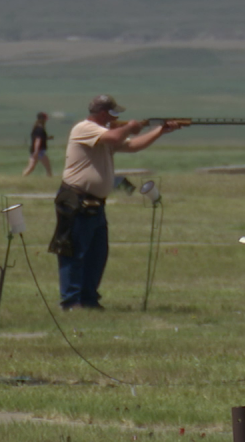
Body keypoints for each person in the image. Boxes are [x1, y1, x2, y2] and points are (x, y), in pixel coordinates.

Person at [48, 95, 180, 310]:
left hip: (96, 203)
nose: (115, 118)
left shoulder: (106, 135)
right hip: (76, 200)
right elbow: (117, 137)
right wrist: (130, 127)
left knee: (97, 253)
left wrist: (160, 131)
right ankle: (71, 301)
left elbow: (133, 145)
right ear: (102, 113)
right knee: (73, 251)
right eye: (113, 114)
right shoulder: (85, 128)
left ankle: (89, 299)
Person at [22, 112, 53, 177]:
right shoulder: (40, 129)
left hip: (35, 151)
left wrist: (47, 138)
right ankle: (49, 178)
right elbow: (38, 141)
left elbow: (40, 138)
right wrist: (36, 151)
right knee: (48, 167)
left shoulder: (36, 128)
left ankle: (23, 177)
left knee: (31, 167)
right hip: (39, 151)